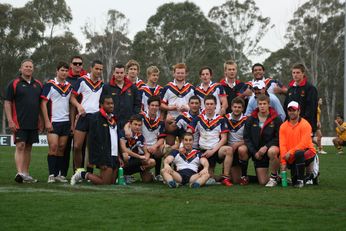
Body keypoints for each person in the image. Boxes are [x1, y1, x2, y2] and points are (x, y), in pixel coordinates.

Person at [4, 59, 43, 183]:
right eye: (26, 66)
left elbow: (41, 104)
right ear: (21, 69)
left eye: (30, 67)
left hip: (33, 122)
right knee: (20, 145)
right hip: (18, 122)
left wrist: (41, 120)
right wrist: (10, 120)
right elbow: (7, 102)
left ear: (33, 69)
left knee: (28, 147)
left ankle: (26, 174)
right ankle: (20, 173)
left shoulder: (38, 84)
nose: (28, 68)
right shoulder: (14, 83)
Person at [70, 95, 120, 185]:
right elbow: (93, 141)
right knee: (105, 182)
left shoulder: (113, 118)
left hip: (114, 154)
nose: (111, 106)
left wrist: (119, 155)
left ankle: (85, 175)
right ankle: (81, 174)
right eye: (108, 104)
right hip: (105, 156)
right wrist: (98, 159)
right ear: (101, 105)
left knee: (112, 182)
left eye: (112, 103)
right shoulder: (96, 118)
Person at [187, 95, 233, 186]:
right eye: (207, 104)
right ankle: (214, 177)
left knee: (229, 149)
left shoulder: (221, 119)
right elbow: (189, 132)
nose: (209, 106)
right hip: (202, 150)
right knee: (208, 177)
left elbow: (224, 139)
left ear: (216, 105)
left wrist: (212, 151)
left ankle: (225, 177)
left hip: (215, 149)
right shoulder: (199, 118)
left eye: (211, 104)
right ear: (204, 106)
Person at [40, 62, 73, 183]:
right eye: (62, 70)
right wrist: (47, 121)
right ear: (57, 71)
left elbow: (72, 103)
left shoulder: (69, 86)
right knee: (53, 147)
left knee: (61, 148)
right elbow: (43, 104)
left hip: (65, 122)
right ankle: (51, 174)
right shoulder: (50, 85)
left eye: (66, 71)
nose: (64, 73)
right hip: (54, 121)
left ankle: (58, 174)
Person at [70, 60, 104, 169]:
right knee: (77, 146)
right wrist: (79, 106)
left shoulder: (102, 84)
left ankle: (89, 173)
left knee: (92, 148)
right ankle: (78, 171)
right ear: (91, 68)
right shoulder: (82, 80)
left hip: (96, 118)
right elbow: (72, 97)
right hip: (83, 117)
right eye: (97, 68)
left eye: (100, 69)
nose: (98, 71)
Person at [244, 94, 282, 187]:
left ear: (269, 105)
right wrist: (254, 152)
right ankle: (277, 178)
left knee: (272, 151)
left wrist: (266, 147)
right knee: (262, 182)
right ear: (257, 105)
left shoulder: (276, 118)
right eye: (260, 104)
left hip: (270, 149)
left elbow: (279, 137)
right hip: (258, 153)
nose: (262, 106)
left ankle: (273, 176)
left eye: (264, 104)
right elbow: (246, 138)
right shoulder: (251, 119)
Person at [279, 101, 317, 188]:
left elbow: (304, 144)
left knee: (299, 153)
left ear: (299, 111)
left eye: (294, 110)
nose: (291, 112)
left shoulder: (305, 125)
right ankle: (312, 176)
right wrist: (283, 162)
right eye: (289, 110)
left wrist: (290, 152)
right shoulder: (283, 126)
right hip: (292, 155)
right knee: (293, 181)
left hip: (308, 152)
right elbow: (282, 145)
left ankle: (301, 180)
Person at [62, 56, 88, 178]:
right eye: (75, 63)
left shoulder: (86, 79)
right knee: (65, 148)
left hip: (82, 118)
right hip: (65, 117)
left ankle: (79, 173)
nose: (78, 66)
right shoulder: (65, 79)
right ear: (71, 64)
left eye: (80, 63)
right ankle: (61, 174)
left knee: (80, 147)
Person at [161, 63, 195, 145]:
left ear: (186, 73)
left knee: (184, 146)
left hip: (185, 121)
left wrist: (187, 108)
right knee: (169, 146)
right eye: (178, 73)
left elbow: (196, 106)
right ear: (174, 73)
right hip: (171, 121)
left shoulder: (191, 88)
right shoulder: (167, 87)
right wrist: (170, 108)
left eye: (182, 73)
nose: (180, 75)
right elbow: (161, 105)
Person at [101, 64, 141, 129]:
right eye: (117, 73)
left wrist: (132, 120)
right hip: (111, 121)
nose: (119, 75)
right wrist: (107, 117)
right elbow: (102, 104)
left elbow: (137, 105)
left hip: (128, 123)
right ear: (113, 73)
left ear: (125, 73)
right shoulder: (107, 87)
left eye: (121, 73)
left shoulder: (132, 87)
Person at [120, 115, 155, 183]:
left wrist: (146, 157)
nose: (137, 127)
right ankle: (123, 174)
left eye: (139, 125)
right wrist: (139, 156)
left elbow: (146, 151)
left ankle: (129, 174)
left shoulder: (140, 136)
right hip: (121, 159)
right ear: (130, 124)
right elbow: (124, 149)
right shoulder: (123, 133)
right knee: (125, 155)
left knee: (152, 162)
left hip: (133, 160)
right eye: (135, 124)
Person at [284, 63, 318, 133]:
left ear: (303, 73)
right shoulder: (290, 89)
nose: (295, 75)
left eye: (298, 72)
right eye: (293, 73)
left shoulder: (310, 88)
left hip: (305, 125)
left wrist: (302, 123)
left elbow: (311, 109)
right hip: (291, 125)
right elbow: (286, 107)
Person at [224, 97, 249, 185]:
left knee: (242, 149)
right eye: (235, 107)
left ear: (242, 108)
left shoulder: (247, 120)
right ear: (231, 107)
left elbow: (250, 138)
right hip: (229, 149)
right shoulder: (225, 118)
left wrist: (238, 144)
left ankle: (244, 176)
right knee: (235, 180)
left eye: (239, 107)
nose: (237, 109)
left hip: (242, 147)